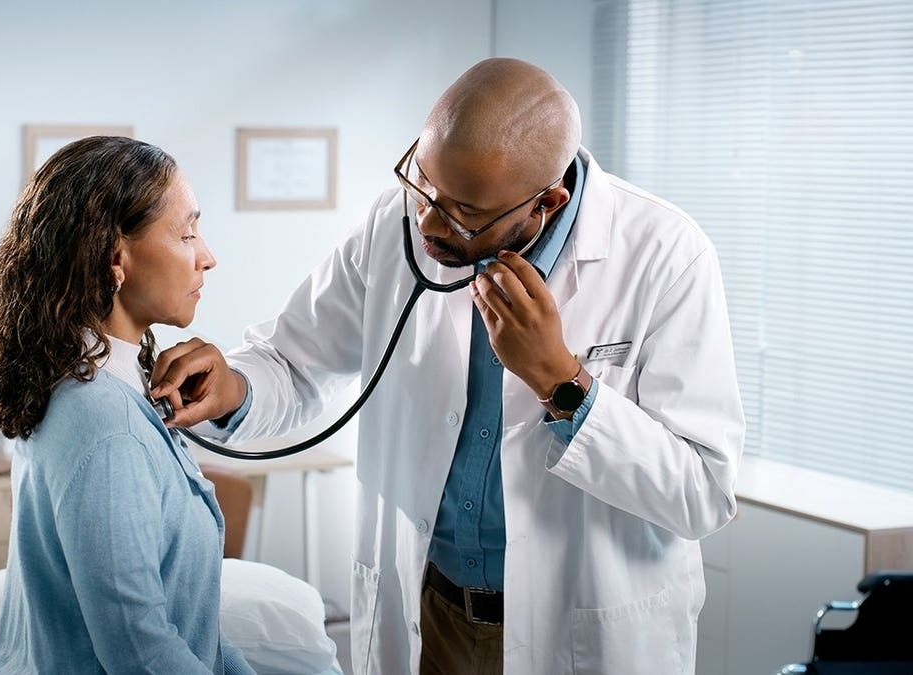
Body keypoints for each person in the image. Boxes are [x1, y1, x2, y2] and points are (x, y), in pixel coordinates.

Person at [149, 58, 745, 674]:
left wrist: (561, 382)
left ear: (548, 202)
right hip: (430, 617)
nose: (429, 222)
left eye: (463, 212)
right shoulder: (396, 224)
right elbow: (293, 361)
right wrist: (236, 387)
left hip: (579, 632)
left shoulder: (665, 256)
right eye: (425, 185)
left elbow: (702, 491)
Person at [0, 136, 254, 674]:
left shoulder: (91, 383)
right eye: (187, 233)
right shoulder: (104, 422)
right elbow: (140, 651)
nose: (207, 256)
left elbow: (193, 635)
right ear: (115, 256)